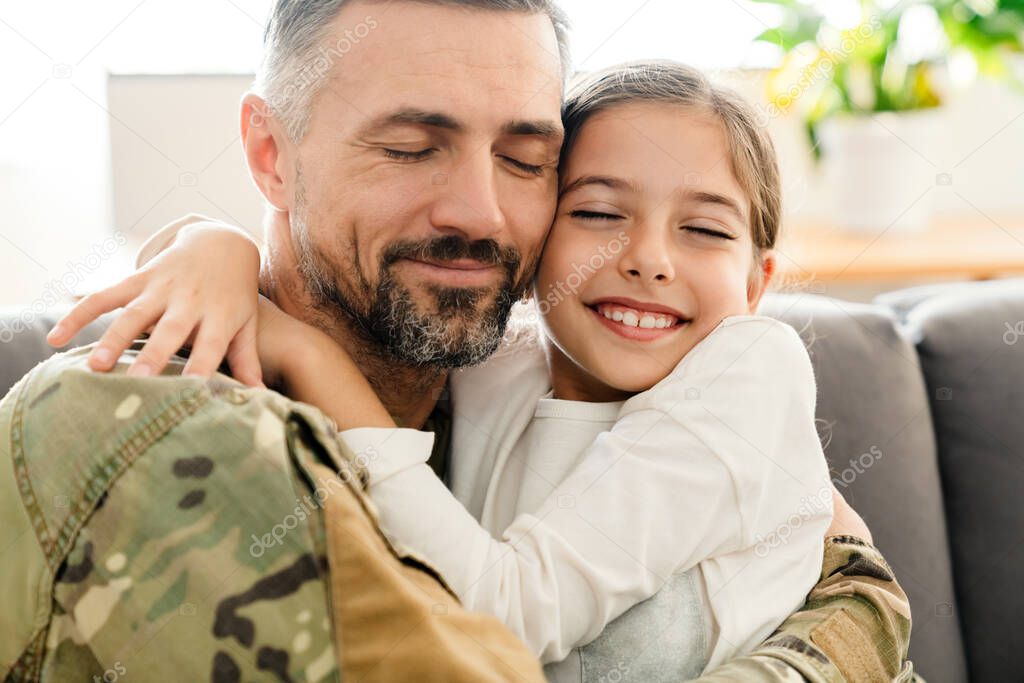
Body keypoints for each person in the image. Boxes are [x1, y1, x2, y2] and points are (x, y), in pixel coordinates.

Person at [2, 1, 916, 681]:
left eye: (525, 161)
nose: (480, 211)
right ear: (271, 154)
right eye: (411, 146)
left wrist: (854, 593)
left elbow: (837, 552)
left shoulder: (494, 377)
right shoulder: (160, 426)